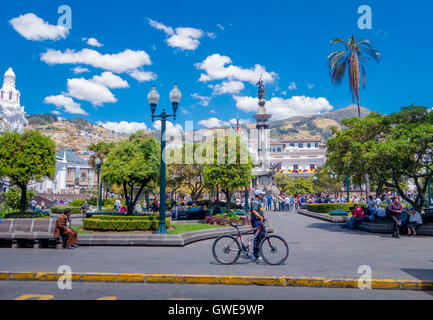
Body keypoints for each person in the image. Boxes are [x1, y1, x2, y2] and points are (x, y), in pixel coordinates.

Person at [250, 190, 266, 262]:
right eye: (261, 194)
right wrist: (261, 217)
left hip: (258, 221)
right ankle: (255, 254)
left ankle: (255, 251)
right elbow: (254, 211)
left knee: (261, 234)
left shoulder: (258, 201)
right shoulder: (255, 202)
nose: (262, 195)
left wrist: (262, 217)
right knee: (257, 236)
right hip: (256, 221)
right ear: (258, 195)